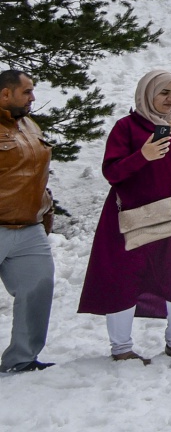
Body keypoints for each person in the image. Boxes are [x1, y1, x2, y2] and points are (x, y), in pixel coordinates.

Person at [78, 70, 171, 363]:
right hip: (133, 216)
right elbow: (112, 172)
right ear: (147, 93)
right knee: (124, 278)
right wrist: (143, 155)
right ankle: (121, 348)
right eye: (164, 92)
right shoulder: (127, 127)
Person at [0, 70, 54, 373]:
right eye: (27, 92)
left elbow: (38, 173)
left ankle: (22, 359)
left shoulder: (30, 125)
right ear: (6, 94)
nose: (33, 98)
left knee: (38, 288)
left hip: (30, 228)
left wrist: (45, 211)